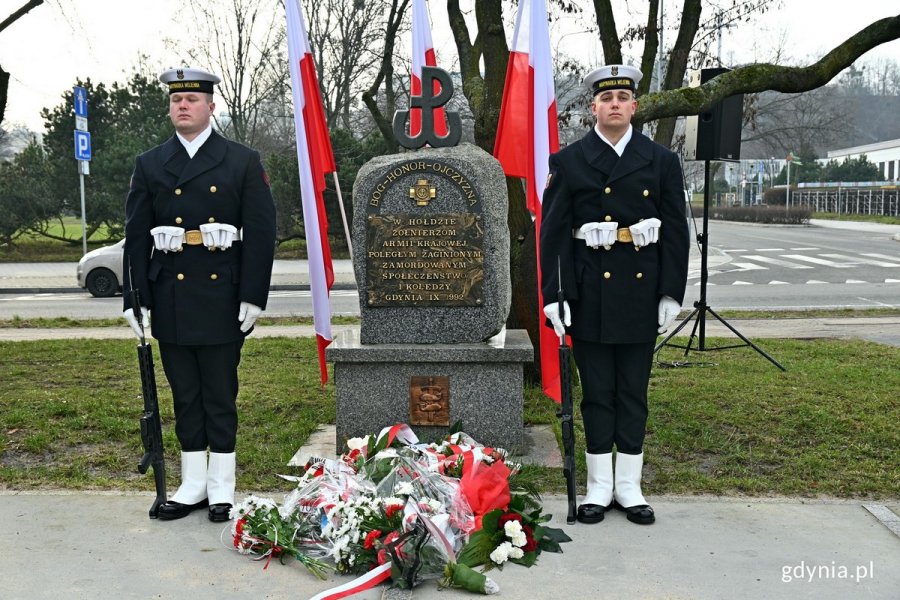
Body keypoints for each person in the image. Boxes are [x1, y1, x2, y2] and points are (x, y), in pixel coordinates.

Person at [123, 67, 276, 522]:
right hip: (171, 293)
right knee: (184, 394)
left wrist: (254, 294)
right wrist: (135, 297)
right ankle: (192, 485)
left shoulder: (240, 160)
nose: (182, 106)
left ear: (211, 105)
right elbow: (135, 237)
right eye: (175, 100)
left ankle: (221, 487)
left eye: (191, 98)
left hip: (221, 296)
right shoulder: (150, 163)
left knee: (219, 393)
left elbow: (263, 231)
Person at [539, 64, 689, 525]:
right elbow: (555, 235)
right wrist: (555, 294)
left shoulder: (661, 160)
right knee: (597, 393)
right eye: (607, 99)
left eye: (623, 97)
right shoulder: (570, 161)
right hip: (591, 297)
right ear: (594, 108)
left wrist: (670, 293)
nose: (616, 104)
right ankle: (600, 487)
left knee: (633, 394)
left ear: (634, 107)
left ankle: (630, 486)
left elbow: (675, 233)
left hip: (641, 297)